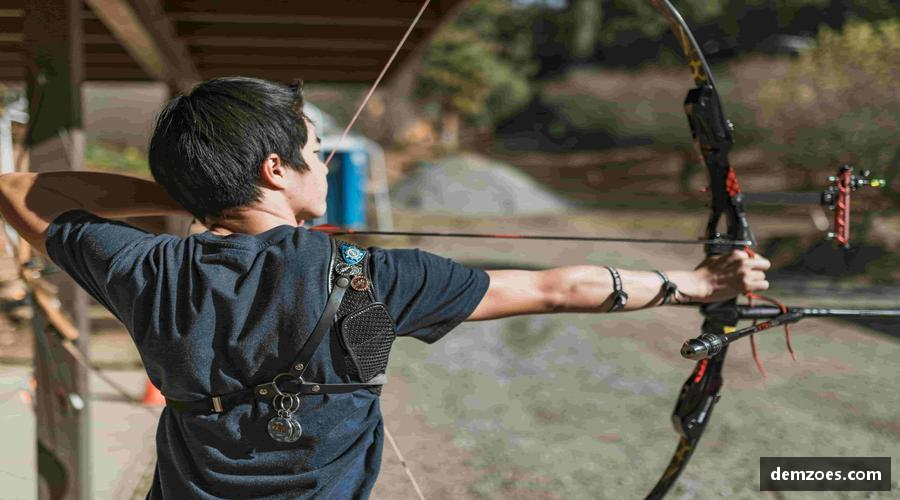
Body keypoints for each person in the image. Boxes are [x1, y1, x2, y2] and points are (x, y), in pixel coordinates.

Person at [0, 77, 770, 499]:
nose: (323, 164)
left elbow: (20, 189)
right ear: (275, 170)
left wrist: (193, 191)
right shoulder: (373, 280)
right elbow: (567, 285)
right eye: (313, 151)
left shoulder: (147, 271)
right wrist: (696, 283)